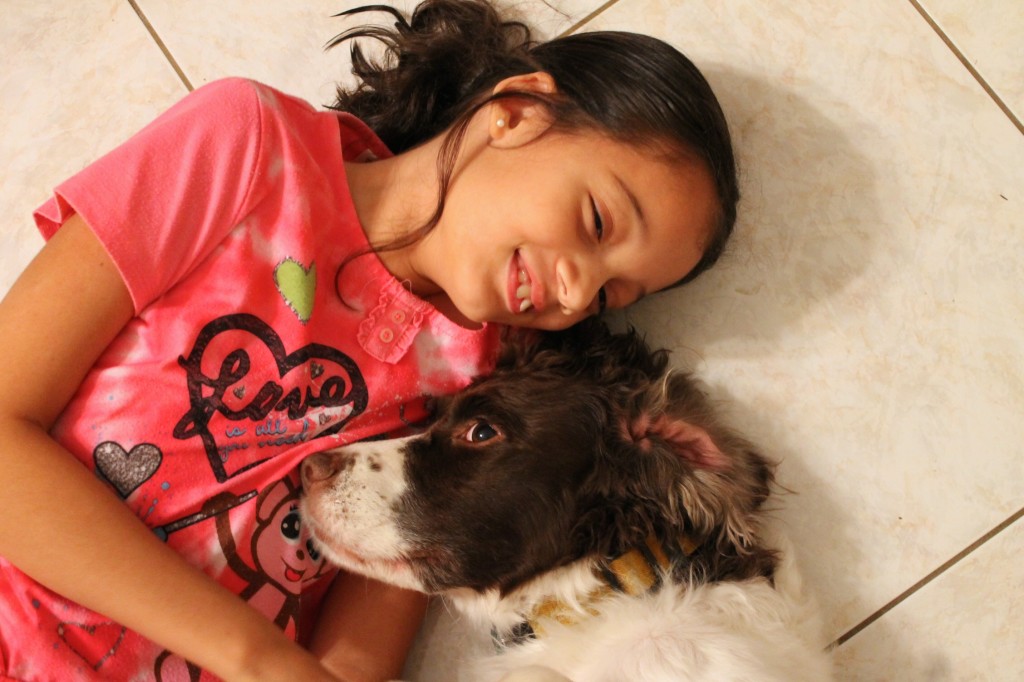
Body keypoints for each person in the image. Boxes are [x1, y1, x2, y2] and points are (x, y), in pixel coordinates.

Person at [0, 0, 738, 679]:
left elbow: (359, 653)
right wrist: (254, 656)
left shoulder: (485, 397)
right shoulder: (248, 148)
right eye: (598, 224)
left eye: (612, 293)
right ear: (516, 114)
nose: (578, 295)